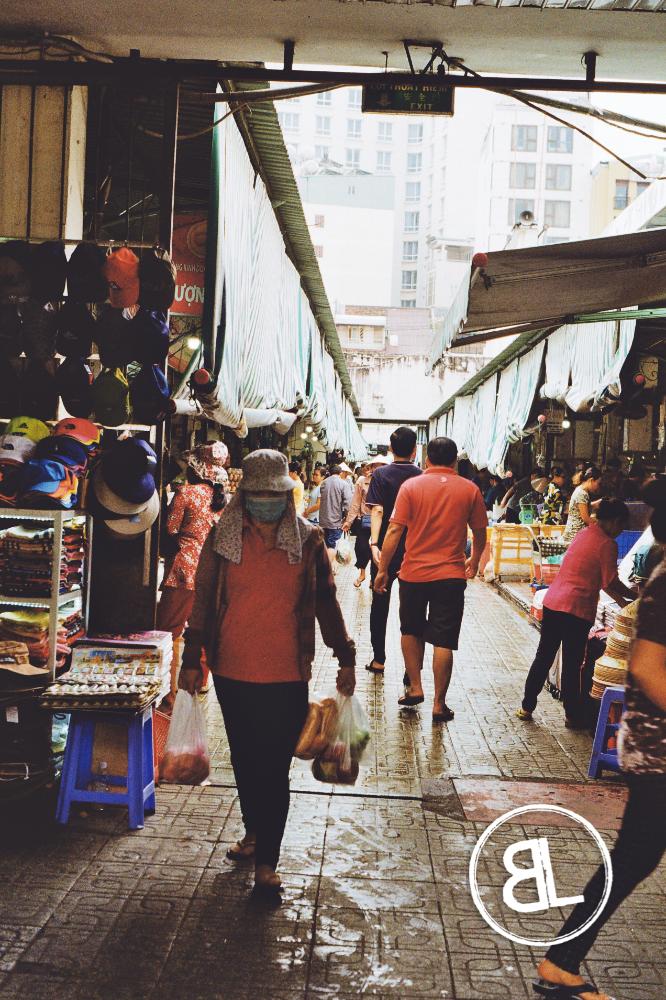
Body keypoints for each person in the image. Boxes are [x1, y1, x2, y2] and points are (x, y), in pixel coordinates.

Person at [178, 449, 355, 894]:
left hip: (286, 675)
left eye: (275, 495)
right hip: (231, 671)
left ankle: (267, 864)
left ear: (286, 495)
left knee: (274, 767)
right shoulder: (222, 537)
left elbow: (326, 602)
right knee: (244, 757)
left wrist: (346, 655)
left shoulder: (309, 540)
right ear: (244, 496)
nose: (266, 502)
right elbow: (202, 600)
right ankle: (254, 830)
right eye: (258, 494)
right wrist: (191, 659)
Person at [532, 479, 666, 1000]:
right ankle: (560, 961)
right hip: (657, 750)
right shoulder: (660, 577)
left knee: (634, 855)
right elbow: (649, 666)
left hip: (649, 745)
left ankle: (561, 961)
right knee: (634, 856)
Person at [374, 436, 487, 723]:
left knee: (410, 629)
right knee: (444, 639)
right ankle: (439, 704)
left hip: (413, 574)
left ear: (426, 460)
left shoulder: (411, 487)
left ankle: (415, 687)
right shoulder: (470, 489)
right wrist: (474, 561)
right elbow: (480, 532)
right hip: (450, 575)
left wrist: (383, 569)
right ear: (455, 461)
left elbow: (394, 531)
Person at [517, 498, 635, 728]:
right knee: (572, 664)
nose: (621, 531)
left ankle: (526, 707)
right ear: (613, 521)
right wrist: (632, 599)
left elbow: (604, 581)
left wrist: (624, 602)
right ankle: (572, 716)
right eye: (622, 525)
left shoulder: (584, 533)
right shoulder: (607, 544)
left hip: (553, 602)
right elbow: (610, 581)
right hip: (576, 609)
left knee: (544, 656)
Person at [365, 427, 422, 675]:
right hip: (414, 551)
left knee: (379, 605)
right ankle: (411, 671)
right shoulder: (421, 477)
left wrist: (374, 543)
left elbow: (377, 510)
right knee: (413, 610)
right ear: (414, 450)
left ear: (390, 448)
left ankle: (379, 659)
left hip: (385, 551)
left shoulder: (380, 475)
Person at [343, 457, 385, 589]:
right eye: (375, 466)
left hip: (381, 521)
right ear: (371, 468)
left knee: (377, 548)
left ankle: (373, 578)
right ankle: (362, 573)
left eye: (381, 466)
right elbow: (355, 502)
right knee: (361, 547)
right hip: (364, 519)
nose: (377, 469)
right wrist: (348, 521)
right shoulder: (362, 481)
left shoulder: (386, 482)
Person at [319, 463, 353, 567]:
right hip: (336, 521)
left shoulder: (323, 483)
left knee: (325, 546)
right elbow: (348, 504)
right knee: (333, 546)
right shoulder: (343, 484)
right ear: (340, 473)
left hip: (323, 521)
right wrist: (347, 519)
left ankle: (326, 566)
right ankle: (330, 568)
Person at [563, 466, 603, 543]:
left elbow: (581, 506)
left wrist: (595, 504)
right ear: (591, 480)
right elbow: (586, 519)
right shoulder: (582, 493)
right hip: (575, 536)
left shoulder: (580, 490)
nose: (598, 487)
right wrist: (602, 522)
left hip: (575, 535)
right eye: (598, 483)